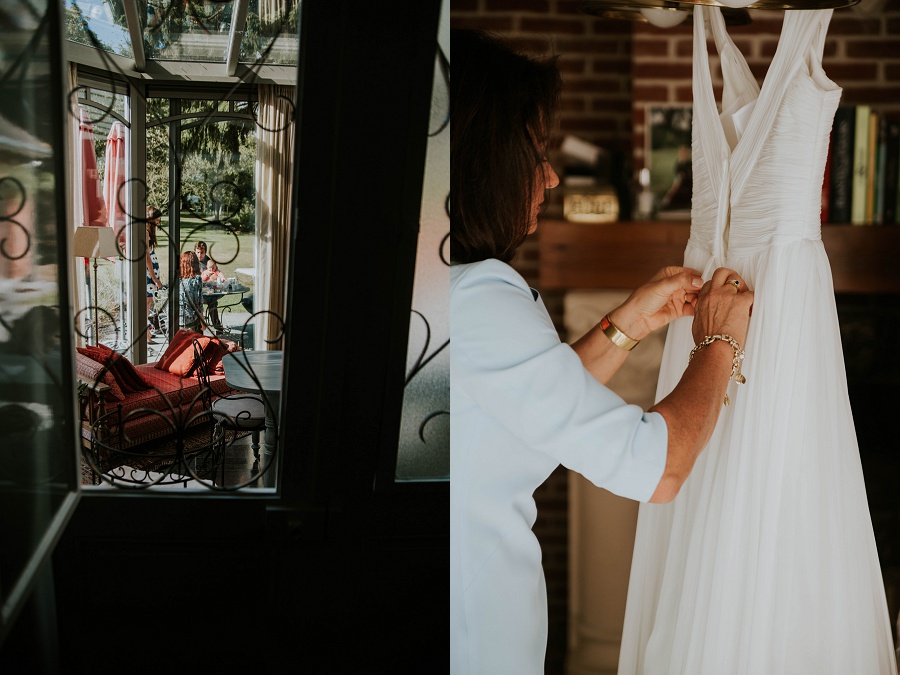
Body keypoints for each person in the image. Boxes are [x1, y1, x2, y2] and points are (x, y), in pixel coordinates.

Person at [449, 29, 754, 675]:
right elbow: (661, 468)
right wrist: (720, 341)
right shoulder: (481, 297)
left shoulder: (451, 288)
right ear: (486, 159)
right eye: (536, 151)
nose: (553, 175)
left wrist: (628, 323)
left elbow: (536, 404)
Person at [178, 250, 205, 332]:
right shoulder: (196, 280)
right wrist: (203, 323)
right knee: (200, 329)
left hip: (176, 319)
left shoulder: (178, 279)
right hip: (189, 319)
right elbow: (198, 305)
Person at [146, 207, 163, 330]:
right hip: (148, 271)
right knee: (147, 301)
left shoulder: (148, 231)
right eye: (156, 220)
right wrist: (154, 278)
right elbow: (147, 257)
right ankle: (145, 332)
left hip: (151, 270)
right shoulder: (145, 232)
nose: (158, 222)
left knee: (149, 301)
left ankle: (147, 332)